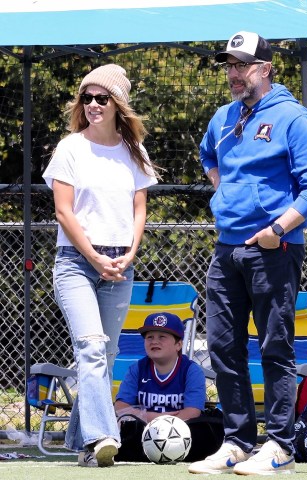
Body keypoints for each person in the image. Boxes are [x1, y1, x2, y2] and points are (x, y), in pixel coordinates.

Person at [188, 31, 307, 476]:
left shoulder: (294, 118)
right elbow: (206, 153)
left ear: (265, 69)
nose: (233, 74)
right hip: (224, 250)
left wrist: (275, 231)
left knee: (275, 348)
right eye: (229, 66)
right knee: (223, 348)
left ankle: (281, 445)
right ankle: (237, 443)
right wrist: (224, 191)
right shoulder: (223, 117)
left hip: (272, 252)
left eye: (242, 65)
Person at [42, 64, 158, 468]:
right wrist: (93, 256)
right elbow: (63, 212)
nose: (92, 104)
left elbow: (139, 210)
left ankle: (84, 443)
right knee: (90, 348)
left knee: (102, 360)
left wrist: (129, 254)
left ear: (117, 104)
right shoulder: (70, 148)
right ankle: (103, 436)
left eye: (101, 98)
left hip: (120, 261)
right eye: (86, 98)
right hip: (76, 262)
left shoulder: (134, 152)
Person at [114, 311, 224, 462]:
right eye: (149, 337)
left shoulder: (191, 370)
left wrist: (147, 417)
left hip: (181, 431)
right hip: (145, 430)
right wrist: (157, 419)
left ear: (178, 344)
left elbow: (192, 412)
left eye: (162, 337)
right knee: (123, 431)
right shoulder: (137, 369)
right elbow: (121, 407)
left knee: (204, 432)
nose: (154, 341)